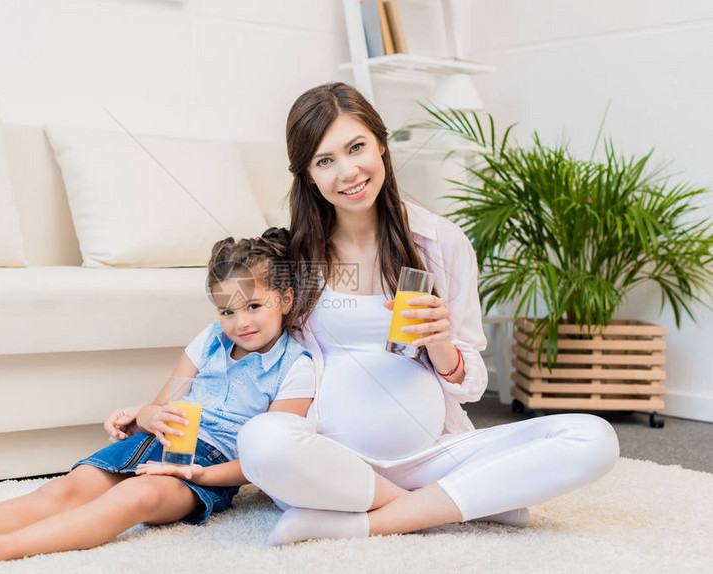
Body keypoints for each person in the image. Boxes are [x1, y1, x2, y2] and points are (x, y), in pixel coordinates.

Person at [236, 82, 620, 546]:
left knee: (594, 438)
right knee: (260, 440)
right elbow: (242, 342)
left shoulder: (441, 244)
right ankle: (445, 504)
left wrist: (442, 347)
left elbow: (472, 383)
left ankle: (370, 520)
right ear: (308, 176)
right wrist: (163, 406)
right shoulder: (293, 255)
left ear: (381, 143)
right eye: (325, 160)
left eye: (357, 147)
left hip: (433, 453)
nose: (348, 171)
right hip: (331, 461)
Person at [0, 228, 315, 573]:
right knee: (71, 489)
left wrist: (195, 475)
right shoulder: (208, 342)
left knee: (134, 499)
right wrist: (140, 417)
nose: (239, 322)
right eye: (227, 311)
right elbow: (161, 407)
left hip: (203, 468)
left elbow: (266, 461)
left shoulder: (295, 366)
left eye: (254, 306)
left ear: (286, 300)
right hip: (159, 442)